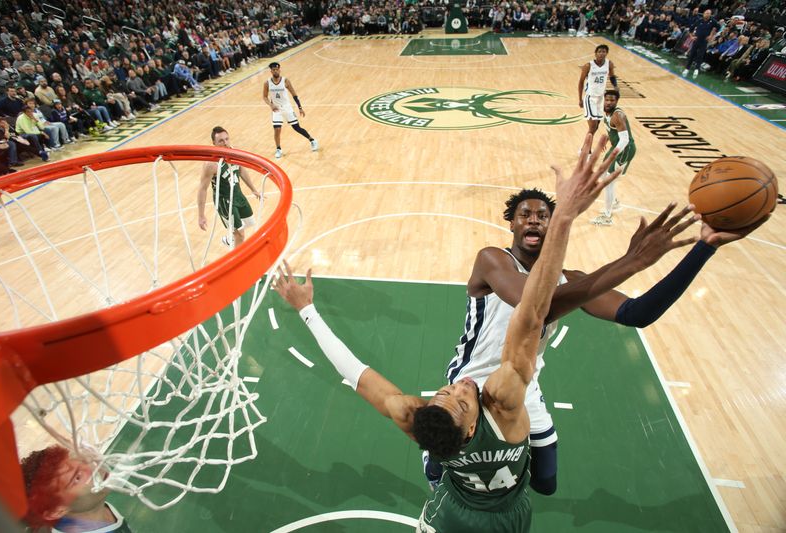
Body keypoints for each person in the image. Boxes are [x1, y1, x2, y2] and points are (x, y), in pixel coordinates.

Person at [274, 133, 621, 532]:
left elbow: (355, 373)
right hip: (505, 516)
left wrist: (307, 312)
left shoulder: (425, 420)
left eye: (444, 392)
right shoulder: (505, 400)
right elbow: (531, 315)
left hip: (449, 513)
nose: (458, 385)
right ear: (472, 426)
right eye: (457, 397)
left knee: (451, 475)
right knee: (540, 478)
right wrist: (574, 226)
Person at [427, 170, 769, 497]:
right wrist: (630, 261)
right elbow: (534, 305)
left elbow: (639, 313)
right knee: (442, 470)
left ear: (551, 226)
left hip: (524, 385)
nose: (533, 219)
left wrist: (704, 247)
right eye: (525, 214)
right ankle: (440, 483)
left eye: (543, 215)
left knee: (546, 482)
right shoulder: (492, 260)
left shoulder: (572, 281)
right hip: (470, 383)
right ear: (511, 224)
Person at [20, 445, 132, 532]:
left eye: (84, 460)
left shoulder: (92, 505)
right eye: (77, 478)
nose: (94, 468)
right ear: (57, 511)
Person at [197, 126, 261, 248]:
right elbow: (202, 189)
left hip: (238, 195)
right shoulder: (210, 164)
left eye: (227, 139)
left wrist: (253, 189)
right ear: (214, 143)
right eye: (221, 141)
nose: (225, 143)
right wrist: (201, 215)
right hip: (225, 201)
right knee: (240, 234)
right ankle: (236, 261)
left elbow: (241, 170)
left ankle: (229, 238)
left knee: (248, 223)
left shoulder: (233, 152)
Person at [591, 89, 635, 226]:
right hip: (616, 147)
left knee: (609, 180)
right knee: (603, 174)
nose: (609, 102)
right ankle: (614, 202)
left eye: (612, 100)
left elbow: (625, 139)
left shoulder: (618, 115)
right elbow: (614, 133)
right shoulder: (607, 114)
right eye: (607, 99)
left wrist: (614, 153)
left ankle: (607, 217)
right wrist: (607, 141)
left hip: (624, 149)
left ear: (616, 102)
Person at [262, 62, 318, 159]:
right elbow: (264, 97)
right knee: (277, 129)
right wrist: (271, 105)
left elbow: (294, 94)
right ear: (271, 71)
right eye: (273, 70)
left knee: (296, 127)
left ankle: (312, 140)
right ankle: (278, 149)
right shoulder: (267, 83)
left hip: (287, 107)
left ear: (279, 70)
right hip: (276, 109)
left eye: (277, 69)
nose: (275, 71)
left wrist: (300, 108)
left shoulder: (285, 81)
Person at [578, 44, 617, 136]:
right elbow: (581, 82)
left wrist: (615, 86)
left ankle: (584, 148)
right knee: (592, 127)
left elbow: (612, 76)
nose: (601, 53)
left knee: (596, 126)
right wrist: (580, 99)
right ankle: (586, 149)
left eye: (604, 51)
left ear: (607, 53)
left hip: (601, 98)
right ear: (595, 54)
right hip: (590, 97)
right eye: (599, 51)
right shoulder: (588, 65)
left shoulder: (609, 64)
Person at [682, 9, 720, 79]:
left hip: (704, 41)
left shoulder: (712, 21)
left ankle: (697, 69)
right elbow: (691, 29)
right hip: (696, 40)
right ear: (703, 14)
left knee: (700, 55)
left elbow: (718, 27)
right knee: (692, 54)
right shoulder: (699, 20)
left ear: (710, 14)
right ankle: (687, 68)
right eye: (706, 13)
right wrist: (691, 37)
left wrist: (711, 35)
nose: (707, 14)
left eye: (709, 13)